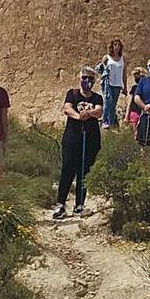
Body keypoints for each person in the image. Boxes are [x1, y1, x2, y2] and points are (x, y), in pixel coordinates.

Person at [54, 67, 104, 219]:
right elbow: (67, 108)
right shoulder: (73, 94)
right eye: (84, 77)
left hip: (91, 138)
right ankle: (60, 205)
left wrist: (88, 113)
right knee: (68, 169)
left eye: (90, 78)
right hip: (72, 137)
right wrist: (78, 116)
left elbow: (99, 111)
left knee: (85, 171)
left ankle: (79, 204)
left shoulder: (96, 97)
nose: (87, 81)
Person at [98, 39, 127, 130]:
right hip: (108, 83)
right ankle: (104, 121)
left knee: (113, 104)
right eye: (115, 44)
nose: (117, 46)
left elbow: (124, 73)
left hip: (117, 84)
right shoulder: (107, 57)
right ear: (112, 46)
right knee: (107, 101)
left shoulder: (122, 58)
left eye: (119, 45)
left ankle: (111, 123)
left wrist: (125, 86)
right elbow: (101, 69)